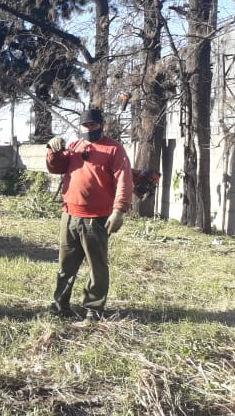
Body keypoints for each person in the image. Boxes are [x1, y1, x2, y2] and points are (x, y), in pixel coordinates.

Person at [46, 108, 134, 322]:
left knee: (97, 267)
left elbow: (124, 180)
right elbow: (56, 167)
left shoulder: (114, 149)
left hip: (97, 219)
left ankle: (93, 310)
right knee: (66, 266)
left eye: (93, 125)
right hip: (69, 216)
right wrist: (53, 150)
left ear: (101, 125)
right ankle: (60, 307)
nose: (88, 129)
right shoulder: (75, 146)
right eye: (85, 125)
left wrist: (119, 210)